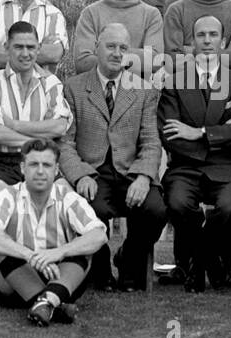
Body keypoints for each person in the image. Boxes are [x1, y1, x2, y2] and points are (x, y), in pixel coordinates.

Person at [59, 24, 167, 292]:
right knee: (92, 210)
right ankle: (101, 269)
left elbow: (152, 142)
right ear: (97, 47)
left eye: (123, 48)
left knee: (156, 210)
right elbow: (64, 142)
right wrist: (81, 174)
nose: (117, 53)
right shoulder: (73, 88)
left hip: (130, 171)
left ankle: (129, 260)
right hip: (93, 171)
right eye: (111, 46)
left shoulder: (143, 90)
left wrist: (143, 177)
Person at [158, 14, 231, 291]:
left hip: (229, 167)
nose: (208, 40)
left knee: (229, 208)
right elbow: (170, 133)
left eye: (214, 35)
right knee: (177, 203)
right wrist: (222, 130)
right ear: (192, 42)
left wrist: (199, 131)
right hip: (186, 167)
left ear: (223, 42)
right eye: (201, 35)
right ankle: (213, 266)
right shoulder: (174, 82)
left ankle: (199, 263)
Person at [0, 139, 109, 326]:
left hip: (59, 277)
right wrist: (29, 255)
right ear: (23, 168)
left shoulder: (68, 198)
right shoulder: (7, 196)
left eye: (46, 165)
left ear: (56, 170)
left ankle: (46, 303)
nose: (40, 171)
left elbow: (99, 235)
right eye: (33, 164)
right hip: (14, 286)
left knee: (85, 246)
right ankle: (53, 303)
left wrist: (59, 252)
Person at [0, 21, 72, 198]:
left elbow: (59, 127)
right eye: (18, 47)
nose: (25, 54)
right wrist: (42, 136)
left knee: (67, 200)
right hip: (3, 163)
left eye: (31, 47)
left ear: (39, 48)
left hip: (41, 160)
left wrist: (13, 125)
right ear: (6, 48)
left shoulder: (51, 83)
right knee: (0, 205)